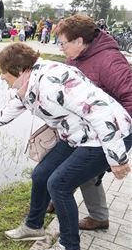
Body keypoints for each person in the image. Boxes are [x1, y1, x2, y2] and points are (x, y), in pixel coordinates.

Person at [0, 43, 131, 250]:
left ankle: (69, 249)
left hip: (106, 137)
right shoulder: (29, 83)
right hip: (78, 136)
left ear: (19, 70)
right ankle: (33, 227)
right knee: (41, 175)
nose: (1, 77)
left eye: (3, 72)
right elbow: (7, 112)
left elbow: (101, 113)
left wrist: (118, 159)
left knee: (59, 185)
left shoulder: (51, 82)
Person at [51, 14, 132, 230]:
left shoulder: (109, 61)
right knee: (79, 171)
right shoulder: (77, 56)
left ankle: (96, 217)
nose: (61, 48)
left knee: (85, 172)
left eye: (63, 43)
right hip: (84, 129)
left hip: (110, 130)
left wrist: (113, 141)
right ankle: (66, 200)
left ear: (79, 40)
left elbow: (130, 97)